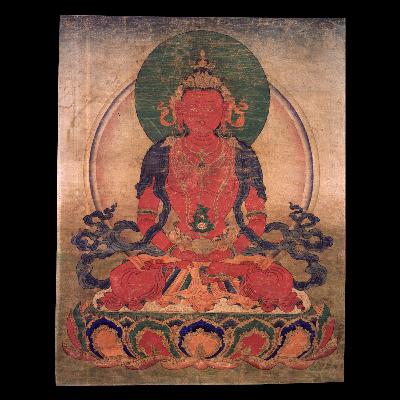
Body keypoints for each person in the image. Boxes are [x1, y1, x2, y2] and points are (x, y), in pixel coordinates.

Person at [99, 50, 304, 313]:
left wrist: (231, 251)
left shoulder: (242, 155)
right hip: (174, 253)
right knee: (125, 280)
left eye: (210, 108)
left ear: (225, 112)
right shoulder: (161, 154)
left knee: (278, 282)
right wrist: (173, 249)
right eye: (193, 108)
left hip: (228, 253)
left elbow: (257, 218)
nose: (201, 115)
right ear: (179, 112)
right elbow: (146, 217)